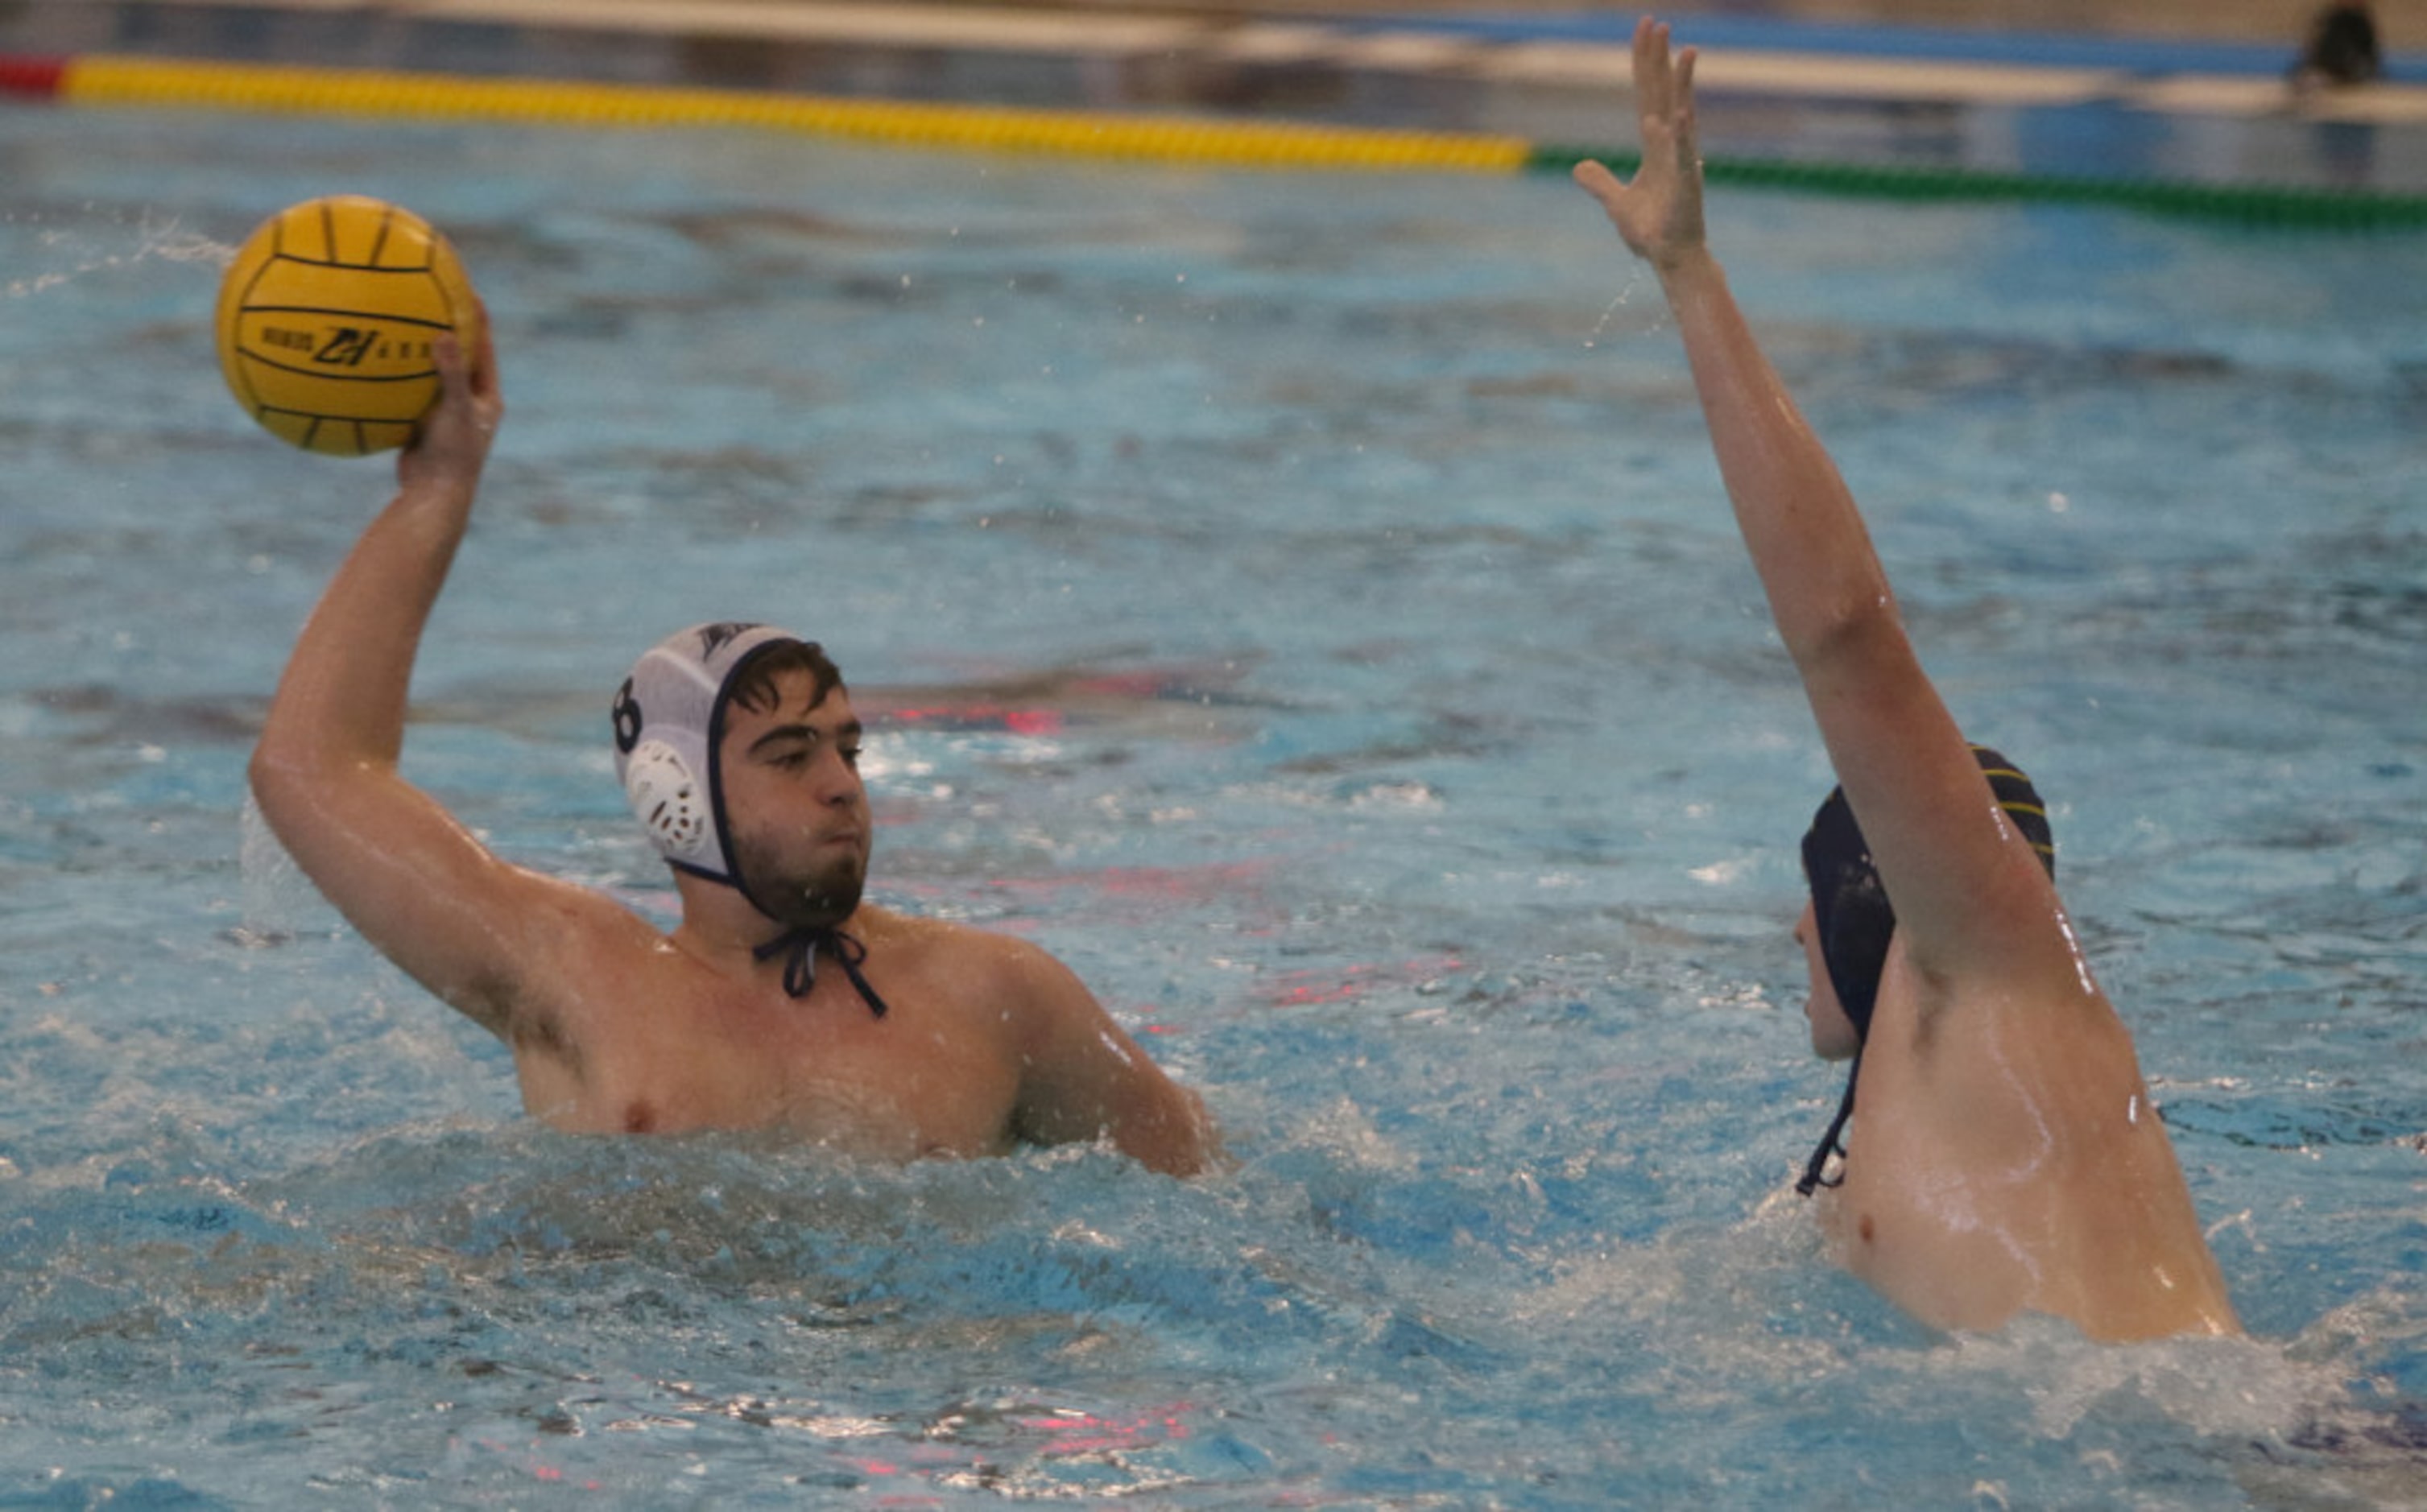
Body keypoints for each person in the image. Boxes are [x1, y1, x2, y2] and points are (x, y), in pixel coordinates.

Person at [1573, 18, 2239, 1341]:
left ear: (1869, 891)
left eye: (1804, 895)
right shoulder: (1891, 1116)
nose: (1789, 931)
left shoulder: (1981, 968)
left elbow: (1843, 635)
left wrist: (1689, 277)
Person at [247, 315, 1216, 1176]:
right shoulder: (576, 976)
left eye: (847, 749)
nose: (842, 785)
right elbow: (311, 770)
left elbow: (1213, 1195)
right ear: (678, 796)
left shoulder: (1000, 998)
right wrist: (439, 490)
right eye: (790, 756)